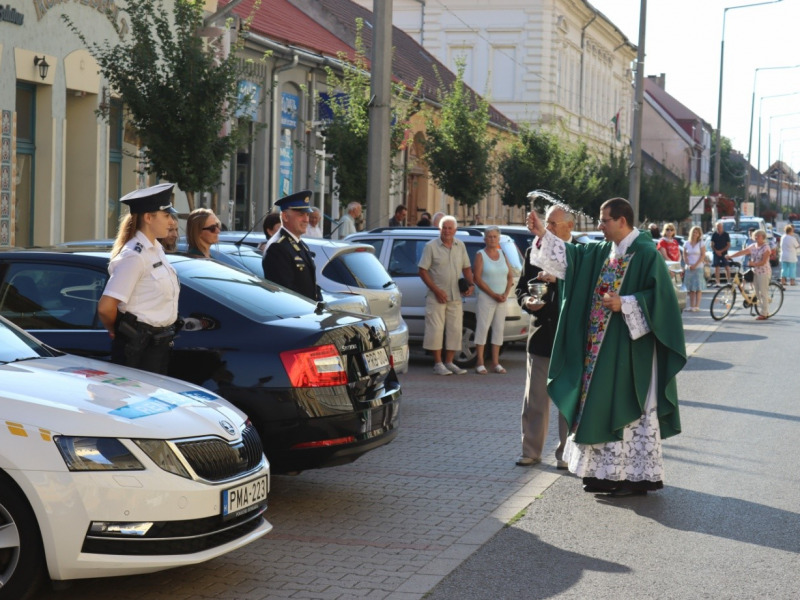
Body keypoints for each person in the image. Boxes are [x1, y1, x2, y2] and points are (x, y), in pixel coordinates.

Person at [527, 197, 686, 496]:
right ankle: (602, 474)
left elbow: (663, 302)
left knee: (627, 412)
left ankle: (634, 478)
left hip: (631, 352)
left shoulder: (646, 253)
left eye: (604, 221)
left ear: (622, 221)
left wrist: (625, 302)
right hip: (598, 350)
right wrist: (542, 235)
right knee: (598, 407)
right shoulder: (603, 250)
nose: (599, 226)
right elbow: (572, 258)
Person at [97, 183, 181, 375]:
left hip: (157, 345)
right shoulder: (134, 256)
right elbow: (105, 307)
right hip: (138, 349)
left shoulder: (155, 250)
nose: (172, 222)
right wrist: (118, 331)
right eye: (166, 216)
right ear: (148, 217)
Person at [514, 205, 573, 468]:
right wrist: (527, 300)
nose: (547, 228)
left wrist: (556, 284)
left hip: (569, 335)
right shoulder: (533, 250)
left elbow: (578, 288)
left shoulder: (578, 253)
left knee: (568, 401)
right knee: (535, 399)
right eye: (546, 223)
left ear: (569, 226)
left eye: (553, 224)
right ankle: (531, 450)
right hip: (540, 334)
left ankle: (566, 453)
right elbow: (521, 288)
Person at [418, 215, 474, 376]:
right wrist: (436, 290)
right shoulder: (431, 246)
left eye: (450, 228)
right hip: (436, 296)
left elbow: (467, 268)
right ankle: (438, 363)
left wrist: (470, 285)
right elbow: (422, 271)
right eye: (444, 228)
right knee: (435, 330)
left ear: (455, 230)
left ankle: (449, 362)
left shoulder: (460, 245)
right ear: (439, 229)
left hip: (455, 296)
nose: (447, 231)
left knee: (455, 330)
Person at [262, 190, 321, 301]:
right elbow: (285, 293)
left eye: (307, 214)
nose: (306, 220)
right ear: (285, 216)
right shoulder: (277, 247)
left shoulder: (301, 245)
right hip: (294, 314)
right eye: (301, 214)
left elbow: (312, 286)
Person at [473, 226, 513, 375]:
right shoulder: (480, 255)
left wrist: (505, 293)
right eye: (489, 236)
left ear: (499, 238)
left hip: (502, 298)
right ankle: (480, 362)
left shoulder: (502, 253)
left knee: (498, 329)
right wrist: (493, 294)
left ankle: (495, 363)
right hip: (486, 297)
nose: (492, 239)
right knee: (482, 328)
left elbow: (509, 276)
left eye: (495, 236)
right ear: (485, 239)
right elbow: (477, 278)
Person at [729, 229, 772, 320]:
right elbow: (742, 252)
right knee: (757, 292)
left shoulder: (766, 247)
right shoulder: (753, 246)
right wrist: (731, 256)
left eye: (758, 236)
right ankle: (763, 309)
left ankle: (764, 313)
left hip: (764, 272)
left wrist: (753, 264)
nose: (756, 237)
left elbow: (763, 262)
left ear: (763, 237)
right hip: (755, 271)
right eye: (755, 236)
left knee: (763, 292)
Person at [683, 225, 706, 312]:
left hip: (698, 267)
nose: (695, 234)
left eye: (697, 232)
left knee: (698, 288)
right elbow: (684, 254)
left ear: (699, 234)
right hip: (689, 268)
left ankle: (697, 306)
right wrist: (688, 264)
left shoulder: (701, 243)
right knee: (691, 288)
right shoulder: (686, 243)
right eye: (694, 232)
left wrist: (695, 265)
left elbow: (703, 255)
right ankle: (691, 306)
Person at [711, 220, 731, 286]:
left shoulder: (726, 234)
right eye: (717, 227)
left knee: (727, 267)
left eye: (719, 227)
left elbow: (728, 245)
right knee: (717, 267)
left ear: (722, 227)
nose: (718, 228)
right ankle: (718, 282)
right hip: (716, 253)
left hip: (724, 253)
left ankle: (728, 281)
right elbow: (712, 244)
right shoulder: (714, 234)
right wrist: (716, 251)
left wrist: (721, 251)